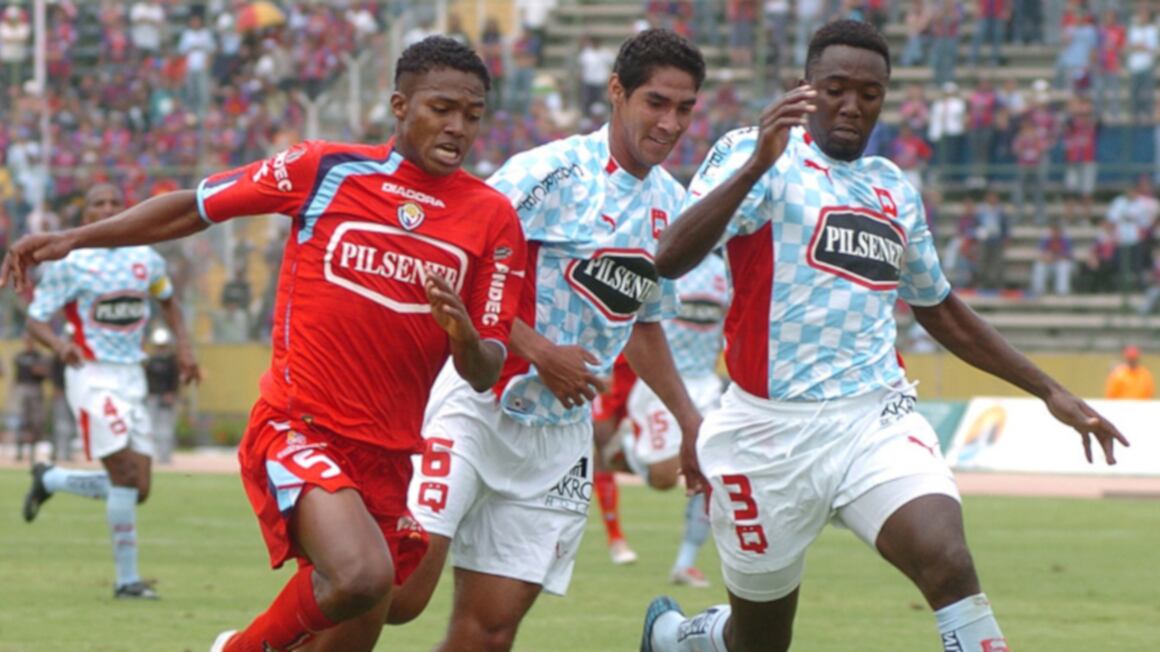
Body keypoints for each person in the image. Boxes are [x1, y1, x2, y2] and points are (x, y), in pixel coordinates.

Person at [3, 37, 526, 652]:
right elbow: (196, 208)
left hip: (388, 454)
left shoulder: (493, 219)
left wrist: (463, 331)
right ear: (399, 105)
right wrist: (77, 238)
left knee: (386, 607)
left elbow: (485, 368)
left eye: (473, 114)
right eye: (442, 108)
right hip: (298, 425)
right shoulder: (324, 169)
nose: (458, 127)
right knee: (362, 575)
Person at [639, 20, 1129, 652]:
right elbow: (670, 255)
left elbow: (940, 308)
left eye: (869, 93)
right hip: (765, 435)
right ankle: (685, 639)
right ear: (804, 89)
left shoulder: (892, 187)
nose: (852, 106)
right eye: (836, 88)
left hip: (875, 417)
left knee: (947, 561)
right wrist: (758, 165)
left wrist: (1050, 392)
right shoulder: (755, 153)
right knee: (759, 640)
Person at [385, 29, 706, 652]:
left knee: (490, 630)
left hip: (558, 437)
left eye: (685, 108)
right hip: (477, 402)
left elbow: (641, 322)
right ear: (617, 92)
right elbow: (463, 268)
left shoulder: (672, 207)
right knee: (399, 592)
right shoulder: (548, 172)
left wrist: (690, 420)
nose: (670, 123)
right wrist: (540, 352)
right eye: (656, 102)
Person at [17, 183, 200, 601]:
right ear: (87, 213)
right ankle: (126, 581)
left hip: (132, 376)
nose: (106, 208)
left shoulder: (146, 259)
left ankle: (52, 479)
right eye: (98, 203)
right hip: (92, 374)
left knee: (140, 488)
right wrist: (60, 345)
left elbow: (168, 300)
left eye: (114, 203)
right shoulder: (72, 262)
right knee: (124, 474)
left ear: (125, 210)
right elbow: (35, 320)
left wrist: (185, 350)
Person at [593, 252, 730, 588]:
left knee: (714, 473)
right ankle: (627, 441)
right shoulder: (670, 262)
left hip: (705, 383)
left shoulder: (726, 272)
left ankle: (685, 563)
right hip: (664, 383)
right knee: (664, 478)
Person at [9, 332, 49, 462]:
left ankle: (33, 451)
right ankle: (19, 451)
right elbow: (16, 376)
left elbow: (45, 374)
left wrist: (40, 371)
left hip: (35, 389)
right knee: (21, 420)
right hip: (22, 388)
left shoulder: (39, 357)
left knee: (36, 421)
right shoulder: (19, 356)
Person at [143, 327, 180, 465]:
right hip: (153, 397)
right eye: (159, 346)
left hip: (166, 398)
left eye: (163, 346)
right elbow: (147, 379)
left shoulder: (172, 362)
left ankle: (165, 456)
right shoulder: (150, 361)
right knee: (152, 427)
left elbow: (174, 379)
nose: (160, 349)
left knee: (166, 428)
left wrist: (171, 393)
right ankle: (155, 455)